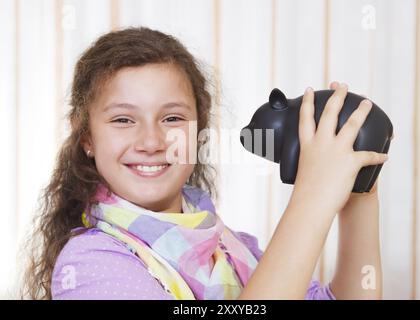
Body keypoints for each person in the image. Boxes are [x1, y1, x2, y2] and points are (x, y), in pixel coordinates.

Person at [22, 27, 388, 300]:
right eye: (122, 120)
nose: (151, 142)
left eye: (172, 119)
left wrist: (359, 187)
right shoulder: (90, 263)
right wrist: (313, 196)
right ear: (86, 137)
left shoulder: (230, 247)